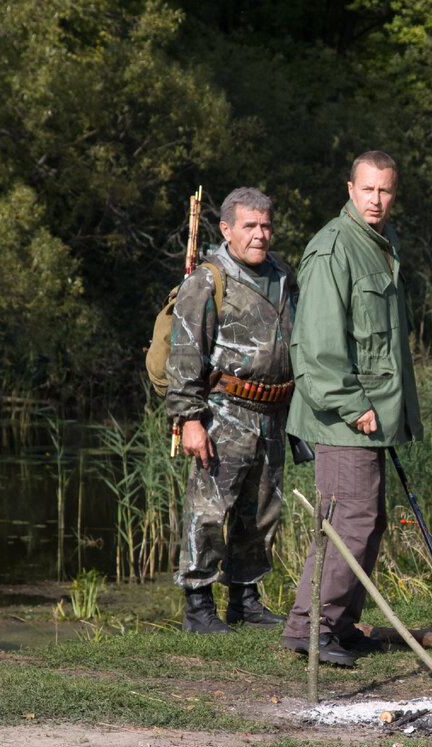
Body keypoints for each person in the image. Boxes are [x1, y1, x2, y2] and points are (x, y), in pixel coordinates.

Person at [279, 151, 423, 667]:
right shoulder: (334, 247)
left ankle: (337, 626)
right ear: (350, 188)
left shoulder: (380, 245)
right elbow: (316, 347)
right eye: (368, 190)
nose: (377, 200)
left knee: (367, 517)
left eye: (386, 191)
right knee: (350, 518)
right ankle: (311, 630)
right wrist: (353, 405)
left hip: (374, 415)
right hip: (343, 415)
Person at [166, 187, 297, 634]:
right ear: (226, 229)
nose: (260, 235)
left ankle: (246, 599)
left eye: (265, 225)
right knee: (208, 510)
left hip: (273, 413)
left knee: (261, 510)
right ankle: (198, 607)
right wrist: (188, 420)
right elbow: (185, 352)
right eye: (250, 226)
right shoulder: (208, 278)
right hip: (223, 411)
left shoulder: (282, 275)